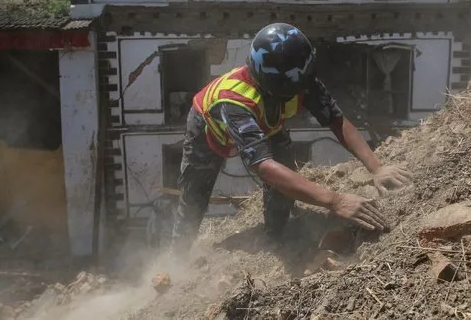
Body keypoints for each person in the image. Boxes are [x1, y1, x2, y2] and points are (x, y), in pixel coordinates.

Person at [170, 23, 413, 255]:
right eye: (289, 91)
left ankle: (274, 234)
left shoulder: (300, 78)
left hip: (266, 120)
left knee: (285, 166)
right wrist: (335, 201)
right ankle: (177, 259)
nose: (300, 93)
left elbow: (335, 120)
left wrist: (376, 167)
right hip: (208, 128)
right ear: (269, 84)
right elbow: (264, 166)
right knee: (195, 194)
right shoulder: (235, 102)